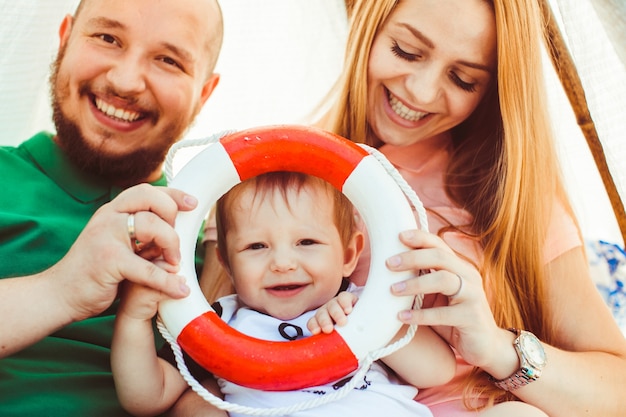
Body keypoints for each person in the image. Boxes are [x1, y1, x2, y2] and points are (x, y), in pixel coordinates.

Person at [194, 0, 626, 416]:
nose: (420, 91)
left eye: (463, 79)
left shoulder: (514, 198)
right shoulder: (262, 183)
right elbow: (205, 364)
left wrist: (497, 348)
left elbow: (618, 391)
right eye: (406, 50)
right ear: (370, 24)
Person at [0, 0, 224, 415]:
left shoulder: (225, 252)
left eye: (168, 60)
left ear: (204, 93)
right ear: (65, 40)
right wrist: (62, 289)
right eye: (107, 38)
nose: (126, 81)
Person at [111, 171, 457, 417]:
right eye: (256, 246)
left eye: (306, 242)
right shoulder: (217, 324)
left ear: (350, 255)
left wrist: (368, 325)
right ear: (227, 264)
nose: (282, 263)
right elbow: (147, 398)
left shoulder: (366, 305)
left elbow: (437, 372)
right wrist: (133, 318)